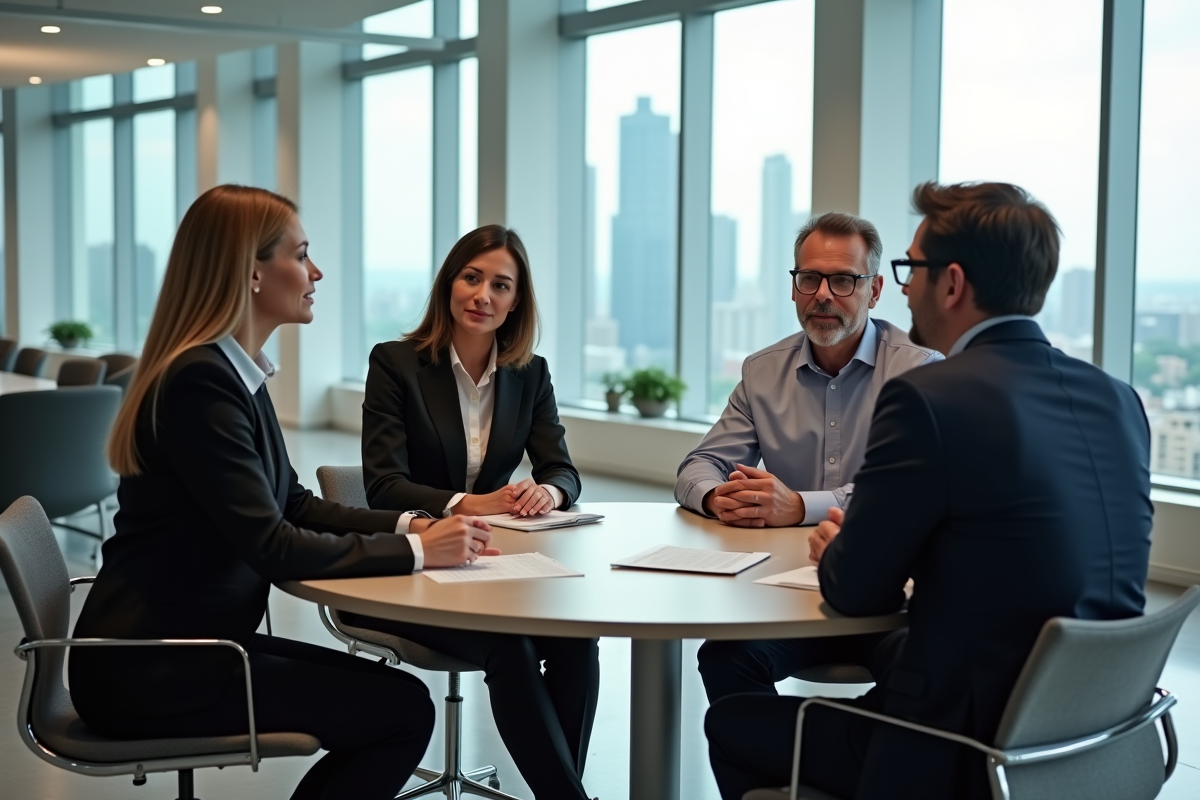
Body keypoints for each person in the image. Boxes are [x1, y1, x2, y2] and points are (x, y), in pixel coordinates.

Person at [705, 181, 1154, 800]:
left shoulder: (930, 397)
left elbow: (856, 591)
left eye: (911, 268)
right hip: (1090, 733)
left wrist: (840, 546)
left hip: (955, 746)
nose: (906, 286)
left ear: (953, 283)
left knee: (730, 722)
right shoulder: (1118, 399)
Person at [70, 185, 499, 800]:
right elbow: (272, 543)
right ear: (251, 271)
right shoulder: (201, 382)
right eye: (301, 254)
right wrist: (423, 555)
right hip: (156, 668)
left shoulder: (235, 372)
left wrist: (411, 528)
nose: (315, 271)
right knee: (402, 715)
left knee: (404, 701)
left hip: (195, 648)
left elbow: (292, 502)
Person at [353, 224, 597, 800]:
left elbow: (562, 468)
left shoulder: (529, 374)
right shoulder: (396, 364)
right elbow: (383, 485)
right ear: (449, 284)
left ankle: (562, 791)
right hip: (413, 567)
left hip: (492, 568)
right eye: (471, 277)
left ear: (517, 301)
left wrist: (550, 493)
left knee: (575, 639)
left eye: (501, 285)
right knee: (510, 646)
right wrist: (468, 503)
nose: (483, 295)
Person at [676, 211, 940, 703]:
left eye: (843, 280)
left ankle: (850, 772)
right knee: (724, 657)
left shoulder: (920, 373)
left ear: (875, 290)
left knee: (919, 668)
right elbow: (698, 465)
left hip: (886, 599)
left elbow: (904, 491)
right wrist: (717, 498)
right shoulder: (762, 372)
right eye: (810, 278)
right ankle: (769, 776)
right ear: (794, 286)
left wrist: (799, 505)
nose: (823, 294)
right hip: (785, 594)